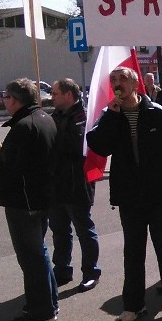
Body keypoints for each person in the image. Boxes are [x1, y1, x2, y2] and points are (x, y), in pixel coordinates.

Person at [86, 67, 162, 321]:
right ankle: (134, 304)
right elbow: (98, 144)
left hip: (160, 196)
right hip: (130, 198)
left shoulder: (156, 112)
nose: (118, 83)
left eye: (123, 79)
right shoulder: (110, 114)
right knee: (133, 252)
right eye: (114, 80)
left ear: (135, 83)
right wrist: (111, 117)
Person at [0, 78, 58, 321]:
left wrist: (0, 184)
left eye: (5, 97)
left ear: (15, 100)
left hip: (25, 200)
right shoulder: (44, 118)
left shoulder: (24, 126)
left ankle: (41, 309)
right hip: (39, 197)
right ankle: (49, 302)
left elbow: (12, 167)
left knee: (31, 256)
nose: (3, 101)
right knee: (38, 252)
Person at [49, 78, 101, 293]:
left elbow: (76, 146)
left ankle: (91, 272)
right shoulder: (55, 116)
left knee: (84, 230)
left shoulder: (83, 118)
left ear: (68, 95)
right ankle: (62, 269)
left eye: (55, 94)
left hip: (76, 183)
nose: (51, 97)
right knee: (59, 231)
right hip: (57, 184)